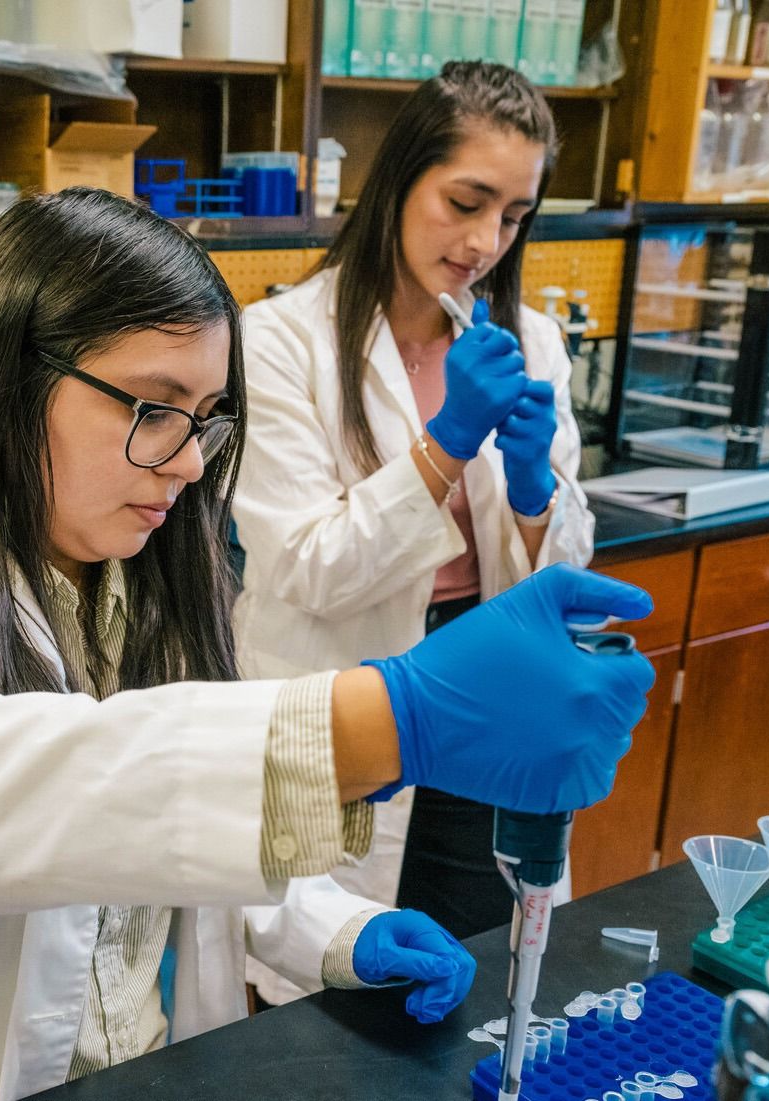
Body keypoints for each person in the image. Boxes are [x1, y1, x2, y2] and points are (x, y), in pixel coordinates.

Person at [0, 187, 652, 1101]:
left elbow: (157, 834)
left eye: (207, 415)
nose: (190, 460)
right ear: (5, 379)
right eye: (154, 406)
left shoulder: (140, 580)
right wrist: (388, 719)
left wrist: (333, 928)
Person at [233, 63, 597, 998]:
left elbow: (562, 571)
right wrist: (442, 448)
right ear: (397, 180)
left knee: (476, 968)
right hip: (347, 704)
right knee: (330, 994)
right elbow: (305, 565)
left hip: (486, 705)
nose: (484, 241)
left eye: (513, 214)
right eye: (465, 201)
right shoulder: (278, 342)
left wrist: (529, 493)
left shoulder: (533, 341)